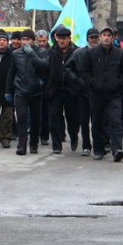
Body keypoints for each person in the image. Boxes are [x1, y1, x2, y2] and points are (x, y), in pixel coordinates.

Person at [79, 27, 123, 162]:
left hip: (114, 95)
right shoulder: (91, 54)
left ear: (113, 38)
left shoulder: (120, 53)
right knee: (97, 122)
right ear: (100, 37)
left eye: (109, 35)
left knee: (115, 121)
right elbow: (84, 72)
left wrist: (118, 84)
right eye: (104, 35)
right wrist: (93, 83)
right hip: (96, 94)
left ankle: (117, 149)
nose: (106, 37)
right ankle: (98, 149)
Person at [5, 29, 49, 155]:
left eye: (28, 39)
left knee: (35, 120)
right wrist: (8, 90)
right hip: (20, 91)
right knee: (22, 117)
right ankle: (21, 145)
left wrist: (32, 55)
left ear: (33, 40)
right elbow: (11, 73)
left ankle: (34, 143)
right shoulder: (16, 54)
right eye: (23, 39)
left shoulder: (42, 52)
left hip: (36, 91)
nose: (25, 42)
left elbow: (44, 66)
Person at [65, 27, 100, 156]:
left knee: (97, 120)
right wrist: (78, 82)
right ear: (87, 39)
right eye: (92, 37)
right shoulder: (78, 53)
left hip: (98, 92)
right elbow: (67, 69)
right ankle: (86, 146)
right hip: (82, 92)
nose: (94, 40)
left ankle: (99, 145)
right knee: (84, 120)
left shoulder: (104, 52)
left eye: (96, 37)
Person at [45, 26, 79, 154]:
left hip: (71, 90)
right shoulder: (50, 52)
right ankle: (56, 145)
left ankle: (74, 136)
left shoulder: (76, 51)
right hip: (55, 90)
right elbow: (46, 70)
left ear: (69, 39)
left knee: (73, 119)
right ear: (56, 38)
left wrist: (77, 84)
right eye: (60, 38)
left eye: (65, 39)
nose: (62, 41)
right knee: (54, 118)